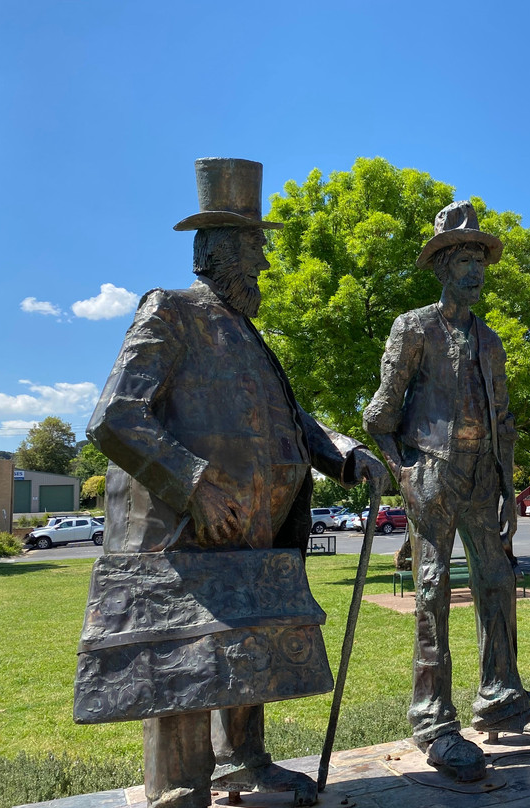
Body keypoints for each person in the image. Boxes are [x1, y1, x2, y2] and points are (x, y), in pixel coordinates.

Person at [74, 158, 386, 808]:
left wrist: (348, 454)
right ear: (217, 254)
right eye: (254, 253)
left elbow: (291, 421)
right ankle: (178, 789)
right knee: (183, 661)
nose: (264, 267)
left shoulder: (246, 335)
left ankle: (243, 761)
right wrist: (193, 485)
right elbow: (115, 415)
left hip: (251, 535)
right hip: (186, 531)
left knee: (246, 647)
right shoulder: (172, 312)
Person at [364, 201, 530, 782]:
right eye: (466, 260)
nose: (477, 271)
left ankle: (503, 699)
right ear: (444, 266)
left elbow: (503, 419)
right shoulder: (414, 328)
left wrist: (509, 489)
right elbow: (380, 416)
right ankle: (433, 721)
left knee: (498, 583)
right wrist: (405, 472)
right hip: (431, 473)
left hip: (484, 479)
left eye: (482, 260)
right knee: (430, 590)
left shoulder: (492, 341)